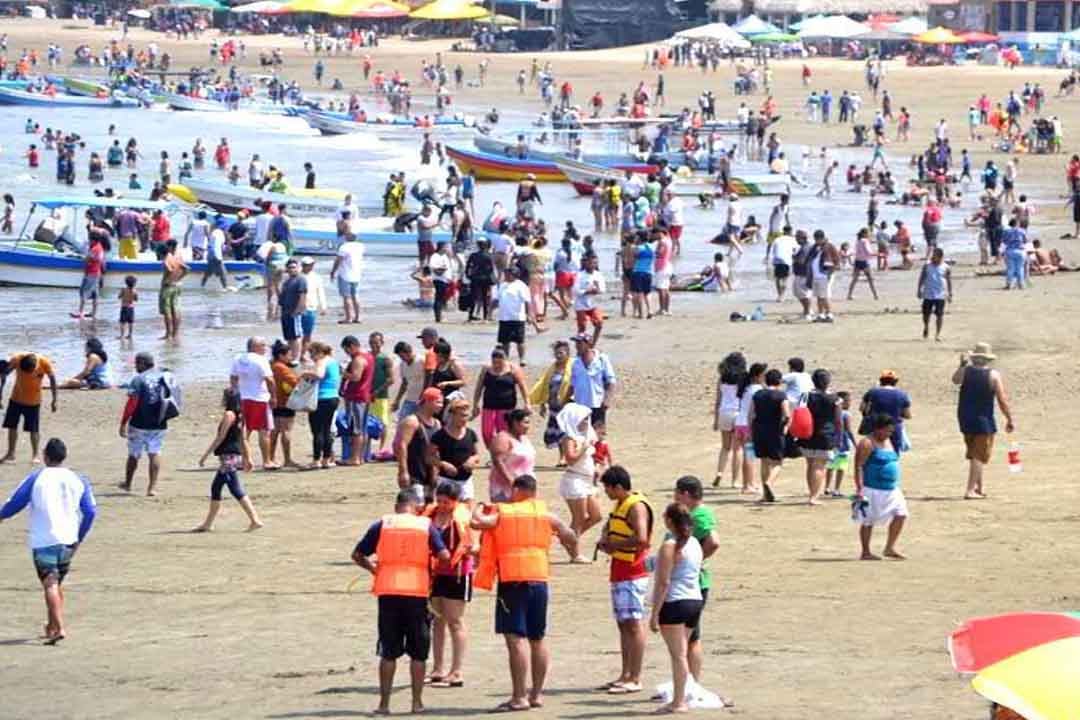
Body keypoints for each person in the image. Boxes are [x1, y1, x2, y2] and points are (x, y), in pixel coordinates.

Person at [470, 475, 578, 713]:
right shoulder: (546, 515)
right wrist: (562, 539)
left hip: (513, 581)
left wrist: (479, 506)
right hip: (539, 579)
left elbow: (476, 522)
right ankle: (536, 694)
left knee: (515, 638)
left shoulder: (504, 514)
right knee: (537, 638)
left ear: (517, 490)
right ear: (534, 492)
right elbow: (570, 535)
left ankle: (519, 697)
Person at [352, 490, 450, 716]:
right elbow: (444, 555)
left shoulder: (382, 524)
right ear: (416, 507)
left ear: (397, 506)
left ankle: (384, 705)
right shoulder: (425, 525)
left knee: (388, 652)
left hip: (388, 593)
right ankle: (416, 703)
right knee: (418, 653)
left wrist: (374, 569)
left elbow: (357, 555)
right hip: (416, 593)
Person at [0, 438, 96, 645]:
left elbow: (15, 502)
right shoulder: (78, 479)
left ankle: (59, 627)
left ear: (45, 456)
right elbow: (90, 512)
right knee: (56, 583)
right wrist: (79, 536)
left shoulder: (37, 478)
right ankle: (51, 626)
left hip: (44, 540)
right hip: (69, 539)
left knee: (50, 583)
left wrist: (1, 516)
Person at [595, 465, 653, 694]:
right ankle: (625, 674)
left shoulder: (636, 506)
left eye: (608, 488)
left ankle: (635, 678)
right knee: (623, 624)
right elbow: (611, 526)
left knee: (634, 624)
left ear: (618, 487)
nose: (606, 492)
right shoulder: (620, 504)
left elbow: (642, 539)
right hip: (620, 570)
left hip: (633, 571)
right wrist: (606, 539)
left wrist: (613, 545)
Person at [649, 503, 704, 714]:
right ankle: (684, 695)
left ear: (670, 521)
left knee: (678, 655)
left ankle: (678, 702)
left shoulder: (669, 546)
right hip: (694, 600)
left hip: (675, 602)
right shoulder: (694, 543)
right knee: (682, 652)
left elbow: (663, 582)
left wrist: (654, 614)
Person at [672, 476, 723, 692]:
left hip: (694, 583)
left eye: (677, 493)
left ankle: (690, 684)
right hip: (693, 582)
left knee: (690, 638)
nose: (674, 497)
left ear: (685, 494)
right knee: (689, 636)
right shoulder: (698, 513)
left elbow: (714, 541)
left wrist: (697, 559)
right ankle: (687, 684)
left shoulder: (699, 515)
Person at [423, 481, 475, 688]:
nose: (442, 505)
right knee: (437, 620)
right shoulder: (430, 515)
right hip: (436, 573)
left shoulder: (463, 517)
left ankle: (457, 671)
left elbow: (473, 544)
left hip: (458, 573)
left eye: (447, 502)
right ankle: (437, 669)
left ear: (456, 501)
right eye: (440, 501)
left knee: (455, 621)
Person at [952, 342, 1015, 500]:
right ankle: (970, 490)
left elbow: (955, 380)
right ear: (987, 359)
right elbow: (1002, 400)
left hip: (965, 418)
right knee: (979, 456)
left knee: (975, 454)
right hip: (983, 420)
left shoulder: (966, 371)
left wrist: (962, 365)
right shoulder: (993, 375)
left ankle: (979, 487)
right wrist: (1009, 418)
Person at [194, 388, 263, 532]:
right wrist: (248, 458)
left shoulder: (229, 414)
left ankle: (255, 520)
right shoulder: (240, 416)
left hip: (228, 458)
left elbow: (221, 437)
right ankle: (208, 524)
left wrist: (205, 455)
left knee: (235, 489)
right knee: (216, 488)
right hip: (233, 457)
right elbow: (243, 439)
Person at [853, 414, 908, 560]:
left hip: (891, 488)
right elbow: (859, 466)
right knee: (868, 520)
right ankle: (865, 552)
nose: (889, 434)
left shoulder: (888, 440)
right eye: (887, 431)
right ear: (878, 429)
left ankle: (889, 548)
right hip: (872, 489)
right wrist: (859, 488)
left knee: (901, 514)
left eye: (891, 431)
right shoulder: (866, 443)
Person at [553, 403, 602, 563]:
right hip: (574, 480)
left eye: (587, 419)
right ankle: (575, 554)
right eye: (583, 419)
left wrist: (597, 466)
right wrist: (583, 448)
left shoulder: (586, 435)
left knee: (596, 516)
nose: (586, 422)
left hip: (587, 481)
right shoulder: (570, 438)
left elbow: (595, 454)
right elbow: (570, 459)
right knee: (579, 518)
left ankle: (568, 537)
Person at [118, 352, 168, 495]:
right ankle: (152, 488)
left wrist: (123, 422)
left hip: (139, 423)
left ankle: (128, 484)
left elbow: (132, 403)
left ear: (142, 364)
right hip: (159, 422)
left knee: (134, 453)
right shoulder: (163, 377)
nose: (135, 367)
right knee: (155, 452)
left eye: (136, 364)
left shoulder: (138, 379)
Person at [230, 337, 278, 470]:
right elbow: (270, 380)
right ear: (255, 347)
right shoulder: (261, 360)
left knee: (244, 432)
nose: (265, 348)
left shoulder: (238, 358)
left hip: (243, 398)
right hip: (259, 398)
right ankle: (266, 461)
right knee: (264, 431)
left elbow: (233, 377)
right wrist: (274, 397)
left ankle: (245, 459)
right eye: (263, 345)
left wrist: (236, 391)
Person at [1, 352, 57, 464]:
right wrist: (0, 392)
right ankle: (11, 453)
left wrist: (54, 399)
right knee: (12, 426)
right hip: (16, 398)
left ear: (35, 366)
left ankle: (35, 455)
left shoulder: (44, 362)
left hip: (33, 401)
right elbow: (4, 374)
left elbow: (52, 380)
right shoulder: (17, 359)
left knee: (34, 429)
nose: (27, 374)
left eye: (30, 372)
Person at [472, 347, 530, 451]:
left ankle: (504, 453)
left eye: (499, 363)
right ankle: (494, 452)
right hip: (488, 406)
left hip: (506, 407)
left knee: (503, 432)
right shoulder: (486, 369)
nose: (497, 365)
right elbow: (479, 387)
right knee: (486, 432)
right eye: (494, 362)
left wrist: (527, 403)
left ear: (505, 360)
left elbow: (523, 387)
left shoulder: (513, 369)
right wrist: (475, 404)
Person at [799, 369, 841, 505]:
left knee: (810, 464)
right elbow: (838, 420)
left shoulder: (805, 395)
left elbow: (799, 412)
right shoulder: (834, 398)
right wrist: (839, 437)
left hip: (807, 433)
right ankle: (814, 497)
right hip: (826, 434)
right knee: (819, 466)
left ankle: (812, 493)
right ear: (828, 381)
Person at [748, 368, 790, 503]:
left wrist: (750, 430)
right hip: (775, 431)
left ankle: (765, 495)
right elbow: (787, 415)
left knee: (764, 461)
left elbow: (751, 414)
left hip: (759, 430)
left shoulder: (758, 394)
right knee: (778, 462)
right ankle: (769, 483)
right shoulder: (781, 395)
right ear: (779, 381)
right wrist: (785, 427)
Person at [395, 387, 444, 503]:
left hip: (430, 475)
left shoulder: (437, 424)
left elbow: (436, 451)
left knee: (429, 507)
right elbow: (401, 446)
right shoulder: (412, 421)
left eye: (442, 402)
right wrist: (403, 471)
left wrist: (436, 471)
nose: (441, 406)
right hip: (414, 474)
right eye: (438, 402)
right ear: (427, 401)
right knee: (416, 505)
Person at [431, 399, 481, 502]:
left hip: (466, 480)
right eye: (462, 415)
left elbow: (477, 455)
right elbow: (429, 457)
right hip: (446, 480)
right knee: (446, 507)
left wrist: (472, 460)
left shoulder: (471, 434)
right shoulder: (440, 435)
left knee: (468, 508)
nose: (465, 419)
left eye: (466, 416)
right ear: (452, 415)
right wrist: (443, 464)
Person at [302, 342, 340, 469]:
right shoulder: (333, 361)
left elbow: (319, 375)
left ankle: (316, 460)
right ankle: (326, 459)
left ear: (318, 352)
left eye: (311, 353)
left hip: (321, 398)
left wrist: (305, 374)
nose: (311, 356)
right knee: (327, 429)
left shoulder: (321, 361)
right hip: (333, 397)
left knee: (317, 430)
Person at [712, 352, 746, 488]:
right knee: (738, 449)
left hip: (724, 413)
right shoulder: (743, 378)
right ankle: (735, 481)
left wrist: (715, 421)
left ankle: (719, 472)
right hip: (738, 413)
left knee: (725, 447)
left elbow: (718, 401)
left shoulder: (722, 378)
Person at [339, 335, 374, 466]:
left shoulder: (358, 359)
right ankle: (361, 456)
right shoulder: (368, 356)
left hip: (357, 396)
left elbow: (355, 377)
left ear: (352, 346)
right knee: (362, 428)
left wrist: (342, 372)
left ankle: (355, 458)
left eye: (347, 350)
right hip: (364, 396)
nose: (347, 353)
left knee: (356, 429)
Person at [488, 408, 535, 503]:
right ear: (515, 423)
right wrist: (511, 482)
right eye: (525, 423)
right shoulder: (502, 438)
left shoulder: (524, 438)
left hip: (525, 486)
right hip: (506, 488)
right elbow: (498, 461)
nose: (528, 426)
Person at [496, 267, 541, 366]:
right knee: (504, 341)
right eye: (506, 274)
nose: (506, 276)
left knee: (520, 341)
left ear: (514, 275)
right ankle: (506, 359)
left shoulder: (521, 286)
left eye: (508, 274)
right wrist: (490, 311)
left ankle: (522, 359)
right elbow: (497, 299)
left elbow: (527, 301)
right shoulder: (502, 285)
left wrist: (529, 314)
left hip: (517, 318)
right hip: (504, 317)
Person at [570, 335, 617, 426]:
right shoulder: (575, 362)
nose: (577, 346)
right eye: (576, 343)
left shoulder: (601, 359)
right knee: (581, 432)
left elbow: (611, 381)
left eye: (580, 343)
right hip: (580, 405)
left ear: (588, 344)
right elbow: (572, 384)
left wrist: (607, 399)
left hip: (597, 404)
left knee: (597, 431)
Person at [860, 370, 911, 454]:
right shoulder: (902, 394)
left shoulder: (872, 392)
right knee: (893, 454)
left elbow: (862, 408)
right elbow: (907, 415)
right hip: (893, 429)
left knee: (871, 452)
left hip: (875, 427)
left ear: (881, 381)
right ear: (895, 382)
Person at [269, 340, 300, 469]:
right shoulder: (281, 368)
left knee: (274, 431)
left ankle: (270, 458)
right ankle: (287, 459)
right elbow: (295, 382)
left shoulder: (271, 365)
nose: (291, 357)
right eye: (289, 355)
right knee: (285, 431)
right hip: (285, 402)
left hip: (274, 402)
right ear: (281, 355)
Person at [368, 332, 396, 455]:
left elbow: (391, 379)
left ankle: (382, 448)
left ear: (382, 343)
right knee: (368, 422)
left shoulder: (385, 359)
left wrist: (376, 392)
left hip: (381, 397)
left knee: (383, 423)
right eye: (371, 342)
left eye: (376, 342)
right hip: (367, 396)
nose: (374, 345)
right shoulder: (367, 357)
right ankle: (367, 448)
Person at [917, 247, 953, 341]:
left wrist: (950, 294)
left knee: (939, 315)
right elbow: (921, 278)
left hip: (940, 295)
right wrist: (919, 290)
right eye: (933, 255)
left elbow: (949, 281)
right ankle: (926, 327)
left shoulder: (946, 267)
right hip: (928, 294)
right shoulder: (927, 266)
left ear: (940, 257)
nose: (933, 257)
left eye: (935, 256)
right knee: (926, 315)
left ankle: (938, 334)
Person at [573, 252, 606, 347]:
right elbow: (575, 290)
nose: (592, 265)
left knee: (599, 323)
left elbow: (603, 289)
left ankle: (592, 345)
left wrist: (597, 290)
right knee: (582, 327)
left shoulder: (598, 275)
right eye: (590, 263)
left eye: (594, 263)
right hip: (581, 305)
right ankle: (580, 347)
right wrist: (586, 291)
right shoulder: (580, 275)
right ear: (586, 263)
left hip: (593, 304)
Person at [278, 259, 308, 361]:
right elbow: (281, 297)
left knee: (296, 336)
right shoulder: (286, 281)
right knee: (289, 337)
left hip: (294, 312)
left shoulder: (301, 280)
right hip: (285, 312)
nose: (292, 269)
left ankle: (296, 357)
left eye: (294, 267)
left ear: (298, 268)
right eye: (290, 267)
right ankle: (290, 356)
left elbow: (302, 296)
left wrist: (298, 310)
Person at [71, 234, 105, 320]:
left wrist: (84, 258)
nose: (89, 241)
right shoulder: (99, 247)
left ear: (93, 240)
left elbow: (87, 259)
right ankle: (93, 313)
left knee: (84, 292)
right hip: (96, 273)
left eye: (90, 240)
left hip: (91, 273)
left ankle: (81, 313)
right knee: (95, 294)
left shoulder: (95, 249)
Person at [159, 240, 188, 340]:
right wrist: (178, 278)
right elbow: (186, 269)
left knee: (167, 311)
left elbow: (169, 269)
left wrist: (168, 279)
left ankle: (168, 334)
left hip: (168, 287)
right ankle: (175, 334)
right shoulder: (178, 256)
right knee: (176, 310)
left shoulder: (167, 258)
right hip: (177, 285)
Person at [392, 341, 425, 421]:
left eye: (402, 356)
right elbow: (404, 383)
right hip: (409, 399)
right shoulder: (402, 364)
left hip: (422, 400)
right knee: (402, 421)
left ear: (409, 352)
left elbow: (431, 378)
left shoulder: (421, 360)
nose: (402, 359)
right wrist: (397, 400)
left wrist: (423, 397)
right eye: (400, 357)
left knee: (420, 423)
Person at [118, 275, 137, 340]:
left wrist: (122, 295)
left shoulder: (123, 289)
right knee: (131, 322)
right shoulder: (134, 291)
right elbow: (136, 299)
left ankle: (122, 335)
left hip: (124, 307)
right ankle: (130, 335)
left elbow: (119, 297)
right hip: (131, 308)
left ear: (126, 283)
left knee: (122, 322)